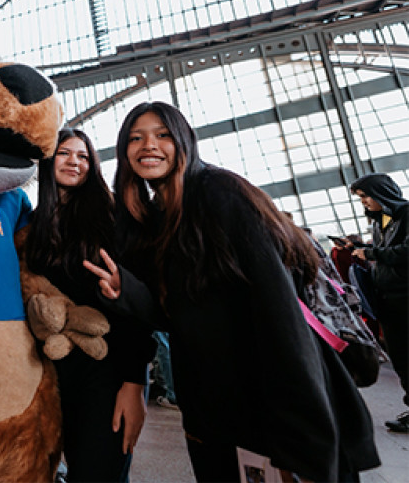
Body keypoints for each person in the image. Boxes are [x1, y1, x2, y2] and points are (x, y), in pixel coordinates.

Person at [87, 101, 379, 482]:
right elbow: (182, 314)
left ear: (183, 142)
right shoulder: (153, 219)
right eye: (135, 138)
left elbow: (278, 313)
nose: (149, 145)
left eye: (162, 135)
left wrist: (304, 437)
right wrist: (128, 291)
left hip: (272, 403)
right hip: (215, 411)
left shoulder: (219, 193)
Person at [23, 128, 155, 482]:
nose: (74, 162)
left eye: (83, 156)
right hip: (50, 372)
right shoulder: (33, 224)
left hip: (106, 372)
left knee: (100, 473)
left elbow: (137, 308)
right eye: (65, 153)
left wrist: (134, 383)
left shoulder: (111, 213)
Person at [350, 173, 408, 433]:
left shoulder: (406, 214)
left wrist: (370, 252)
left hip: (405, 296)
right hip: (387, 299)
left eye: (365, 196)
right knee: (402, 360)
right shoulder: (380, 220)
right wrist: (361, 247)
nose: (363, 202)